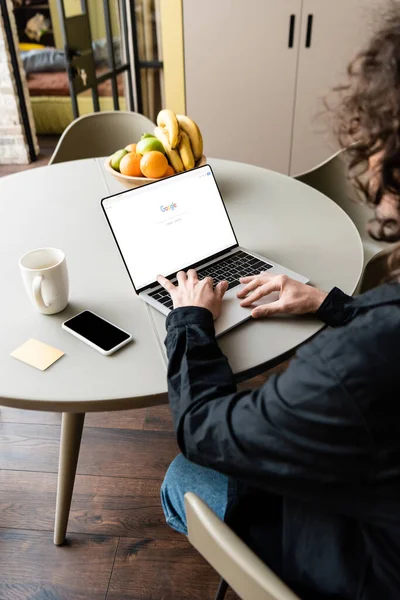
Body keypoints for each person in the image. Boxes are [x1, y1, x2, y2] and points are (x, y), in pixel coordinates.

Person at [158, 9, 400, 600]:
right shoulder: (372, 331)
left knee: (180, 478)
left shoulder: (351, 365)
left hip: (358, 567)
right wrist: (333, 304)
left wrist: (190, 320)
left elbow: (204, 431)